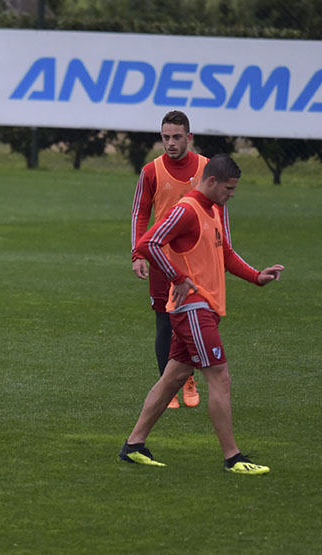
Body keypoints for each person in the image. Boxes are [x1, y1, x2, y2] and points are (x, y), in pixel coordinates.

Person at [119, 154, 284, 475]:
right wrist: (178, 278)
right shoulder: (187, 210)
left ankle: (134, 445)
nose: (232, 194)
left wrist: (256, 276)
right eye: (229, 188)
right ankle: (233, 458)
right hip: (193, 310)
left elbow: (226, 254)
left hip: (203, 309)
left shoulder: (213, 210)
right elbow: (148, 242)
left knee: (173, 378)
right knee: (220, 377)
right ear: (211, 182)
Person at [130, 110, 218, 409]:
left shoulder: (207, 168)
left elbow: (220, 211)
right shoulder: (151, 171)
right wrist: (137, 254)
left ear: (189, 137)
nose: (170, 143)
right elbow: (140, 213)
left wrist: (222, 250)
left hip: (198, 262)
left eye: (177, 137)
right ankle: (167, 387)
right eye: (166, 137)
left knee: (193, 322)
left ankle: (188, 379)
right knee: (165, 324)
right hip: (161, 260)